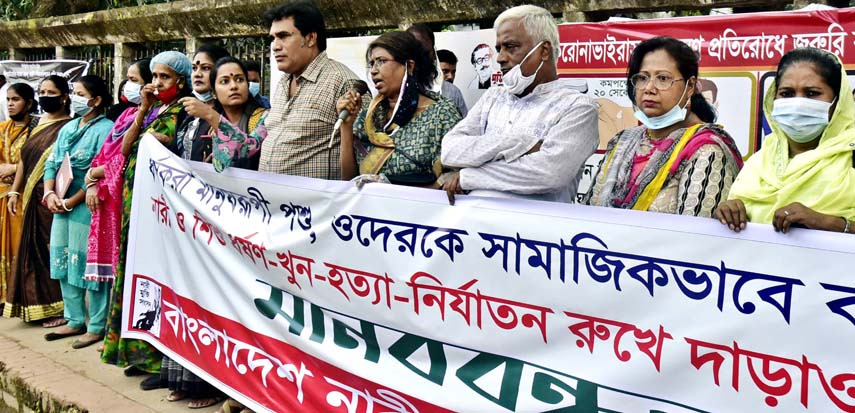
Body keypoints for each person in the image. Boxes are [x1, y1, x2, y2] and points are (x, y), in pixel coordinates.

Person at [441, 5, 598, 204]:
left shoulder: (578, 108)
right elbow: (450, 150)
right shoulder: (494, 96)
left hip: (534, 231)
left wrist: (468, 177)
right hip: (476, 226)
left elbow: (549, 174)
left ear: (543, 51)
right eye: (499, 49)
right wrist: (522, 143)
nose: (499, 58)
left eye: (511, 47)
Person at [100, 51, 190, 391]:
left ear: (180, 81)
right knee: (134, 273)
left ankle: (158, 358)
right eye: (154, 76)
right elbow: (124, 149)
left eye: (165, 77)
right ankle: (137, 353)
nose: (157, 83)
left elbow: (171, 147)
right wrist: (141, 111)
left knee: (156, 278)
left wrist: (156, 138)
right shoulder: (154, 110)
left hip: (160, 207)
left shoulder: (185, 110)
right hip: (134, 203)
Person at [583, 37, 743, 216]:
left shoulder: (707, 149)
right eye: (642, 78)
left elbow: (695, 236)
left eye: (663, 78)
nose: (649, 88)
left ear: (690, 87)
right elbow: (590, 210)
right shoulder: (622, 141)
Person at [211, 1, 363, 180]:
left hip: (315, 205)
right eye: (273, 38)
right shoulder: (283, 83)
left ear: (310, 39)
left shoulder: (344, 83)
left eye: (283, 36)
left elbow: (362, 163)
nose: (275, 46)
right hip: (270, 201)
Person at [716, 48, 855, 234]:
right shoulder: (761, 160)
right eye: (787, 93)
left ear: (838, 102)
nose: (797, 103)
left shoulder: (850, 157)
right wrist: (727, 213)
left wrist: (829, 223)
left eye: (812, 93)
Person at [41, 75, 114, 349]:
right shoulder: (69, 128)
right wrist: (50, 193)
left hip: (87, 206)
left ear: (95, 100)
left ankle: (96, 325)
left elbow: (99, 172)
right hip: (60, 203)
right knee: (62, 258)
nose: (75, 98)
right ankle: (73, 319)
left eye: (81, 93)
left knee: (88, 263)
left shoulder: (106, 129)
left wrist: (72, 201)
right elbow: (53, 163)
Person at [336, 31, 461, 186]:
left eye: (381, 61)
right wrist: (346, 126)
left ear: (409, 66)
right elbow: (348, 182)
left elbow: (453, 181)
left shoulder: (442, 114)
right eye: (372, 63)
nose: (374, 70)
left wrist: (393, 189)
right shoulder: (367, 117)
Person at [3, 76, 71, 325]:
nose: (45, 96)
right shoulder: (38, 123)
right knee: (30, 249)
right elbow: (24, 159)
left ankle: (58, 307)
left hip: (51, 194)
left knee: (49, 249)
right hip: (31, 194)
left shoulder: (69, 126)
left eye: (51, 92)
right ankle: (33, 303)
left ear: (64, 96)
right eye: (42, 91)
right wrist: (15, 191)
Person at [83, 59, 152, 286]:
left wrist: (95, 174)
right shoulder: (124, 115)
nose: (126, 86)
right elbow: (104, 152)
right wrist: (92, 181)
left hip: (125, 193)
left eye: (133, 80)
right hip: (103, 190)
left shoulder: (152, 116)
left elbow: (127, 157)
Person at [0, 83, 38, 310]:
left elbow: (37, 159)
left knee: (20, 245)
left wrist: (13, 169)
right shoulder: (2, 128)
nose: (11, 104)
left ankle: (20, 295)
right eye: (8, 100)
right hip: (2, 194)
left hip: (25, 196)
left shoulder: (36, 130)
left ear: (29, 103)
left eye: (16, 100)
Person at [176, 44, 230, 162]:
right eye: (194, 68)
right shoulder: (186, 110)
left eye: (205, 68)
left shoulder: (230, 113)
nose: (197, 74)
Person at [406, 24, 468, 117]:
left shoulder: (452, 92)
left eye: (425, 52)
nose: (420, 58)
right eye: (415, 52)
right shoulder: (393, 91)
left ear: (434, 53)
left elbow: (465, 127)